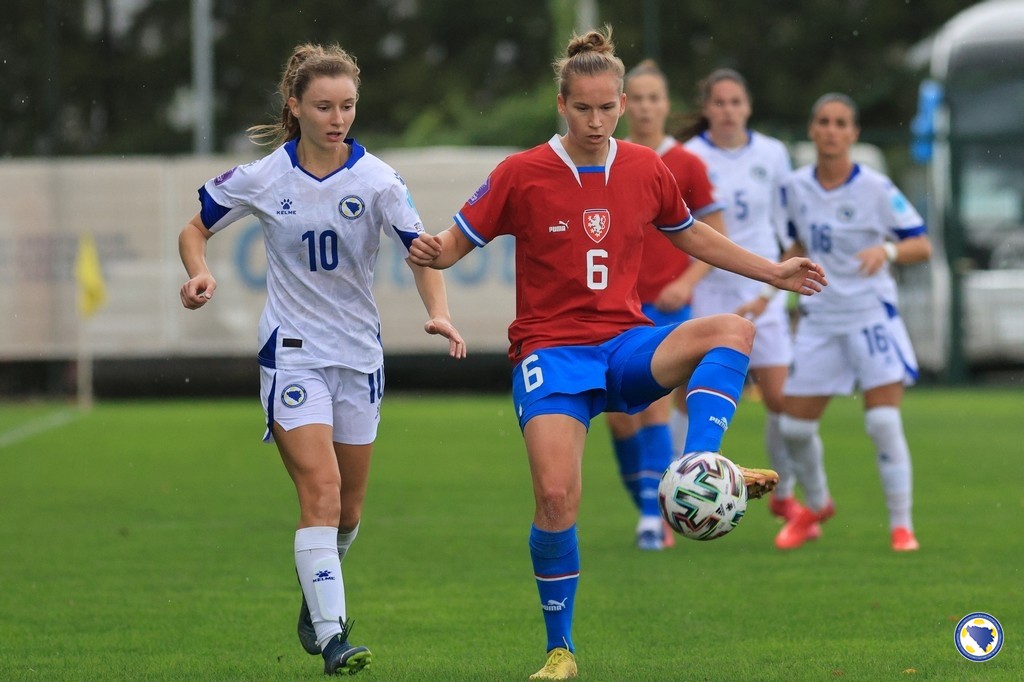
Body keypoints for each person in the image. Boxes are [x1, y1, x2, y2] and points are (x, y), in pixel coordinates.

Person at [408, 27, 825, 680]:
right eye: (583, 108)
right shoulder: (520, 173)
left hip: (625, 344)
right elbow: (451, 247)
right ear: (561, 104)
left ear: (624, 104)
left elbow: (693, 236)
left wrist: (772, 272)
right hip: (552, 353)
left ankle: (701, 464)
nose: (596, 121)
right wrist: (430, 261)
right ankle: (561, 651)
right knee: (555, 498)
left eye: (607, 107)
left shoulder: (645, 167)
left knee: (732, 331)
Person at [177, 43, 466, 676]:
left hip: (358, 356)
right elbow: (194, 229)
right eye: (324, 107)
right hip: (293, 354)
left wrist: (439, 310)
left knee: (349, 511)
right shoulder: (265, 176)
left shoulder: (379, 180)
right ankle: (335, 638)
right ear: (295, 107)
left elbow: (423, 252)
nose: (338, 119)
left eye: (348, 106)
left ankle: (317, 589)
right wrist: (198, 272)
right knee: (322, 491)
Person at [769, 93, 931, 552]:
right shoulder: (793, 187)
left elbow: (922, 245)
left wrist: (888, 250)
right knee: (794, 429)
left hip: (869, 317)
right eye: (823, 121)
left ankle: (902, 527)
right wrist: (770, 286)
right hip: (820, 319)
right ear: (812, 129)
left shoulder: (876, 188)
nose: (831, 130)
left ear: (854, 133)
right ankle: (817, 505)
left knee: (882, 421)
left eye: (841, 123)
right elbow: (792, 247)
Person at [606, 59, 727, 551]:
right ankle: (646, 504)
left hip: (666, 306)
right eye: (637, 98)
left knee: (653, 405)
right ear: (623, 104)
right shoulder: (607, 158)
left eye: (654, 98)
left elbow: (715, 233)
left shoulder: (686, 163)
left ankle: (653, 519)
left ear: (666, 105)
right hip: (615, 308)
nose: (646, 107)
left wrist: (687, 280)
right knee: (618, 417)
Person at [679, 69, 802, 527]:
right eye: (719, 102)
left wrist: (768, 294)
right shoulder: (689, 156)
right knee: (686, 396)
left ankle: (783, 492)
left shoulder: (772, 154)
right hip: (709, 287)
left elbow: (790, 232)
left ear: (747, 107)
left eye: (736, 102)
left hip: (761, 287)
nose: (728, 111)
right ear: (706, 108)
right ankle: (681, 485)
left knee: (781, 399)